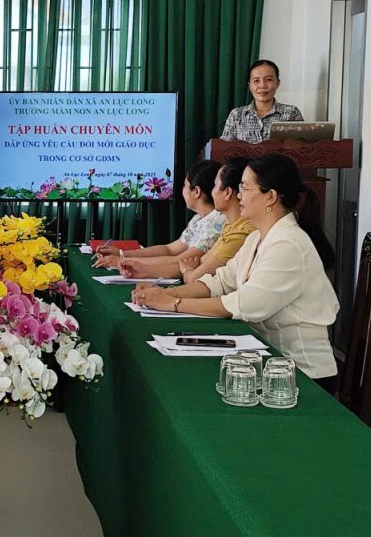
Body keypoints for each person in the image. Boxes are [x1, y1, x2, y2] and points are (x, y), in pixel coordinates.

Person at [133, 154, 339, 387]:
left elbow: (245, 304)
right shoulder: (256, 238)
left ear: (270, 196)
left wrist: (172, 304)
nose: (239, 195)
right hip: (270, 364)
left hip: (302, 374)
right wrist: (164, 293)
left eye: (245, 188)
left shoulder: (288, 244)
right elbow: (219, 282)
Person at [119, 158, 255, 283]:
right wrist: (130, 261)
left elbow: (190, 271)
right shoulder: (226, 225)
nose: (212, 192)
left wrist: (126, 261)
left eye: (215, 186)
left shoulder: (226, 225)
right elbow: (181, 256)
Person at [94, 160, 224, 269]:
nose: (183, 190)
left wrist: (122, 261)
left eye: (185, 185)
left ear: (196, 191)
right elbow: (169, 250)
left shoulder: (217, 222)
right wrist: (121, 253)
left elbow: (179, 260)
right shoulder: (198, 218)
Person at [220, 60, 304, 143]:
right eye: (256, 81)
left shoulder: (292, 113)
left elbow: (303, 147)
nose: (262, 85)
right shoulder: (236, 115)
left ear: (277, 83)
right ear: (249, 85)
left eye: (269, 79)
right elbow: (224, 148)